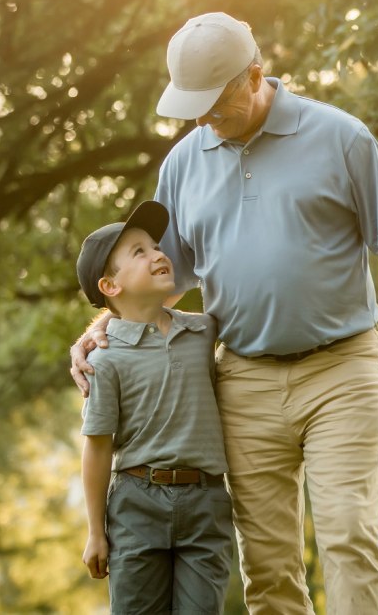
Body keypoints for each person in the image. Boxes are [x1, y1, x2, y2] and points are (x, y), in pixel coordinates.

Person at [69, 12, 378, 613]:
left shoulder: (341, 137)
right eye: (192, 106)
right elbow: (157, 278)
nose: (202, 119)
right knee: (267, 564)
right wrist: (100, 328)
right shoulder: (182, 164)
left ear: (255, 75)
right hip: (241, 379)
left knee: (348, 533)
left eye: (214, 102)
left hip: (340, 371)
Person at [75, 200, 234, 614]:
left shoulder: (203, 331)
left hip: (206, 502)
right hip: (135, 504)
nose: (159, 254)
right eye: (139, 252)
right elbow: (97, 445)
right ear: (110, 286)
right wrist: (96, 531)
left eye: (155, 246)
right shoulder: (105, 359)